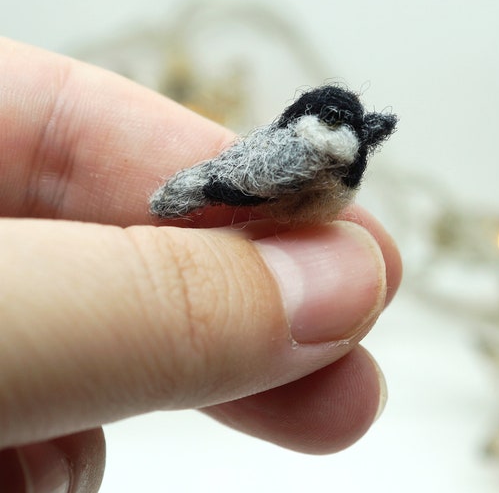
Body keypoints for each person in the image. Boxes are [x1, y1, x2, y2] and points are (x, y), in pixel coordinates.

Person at [0, 38, 402, 493]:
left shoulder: (342, 152)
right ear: (309, 123)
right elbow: (232, 179)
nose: (346, 135)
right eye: (333, 122)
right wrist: (270, 275)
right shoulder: (302, 154)